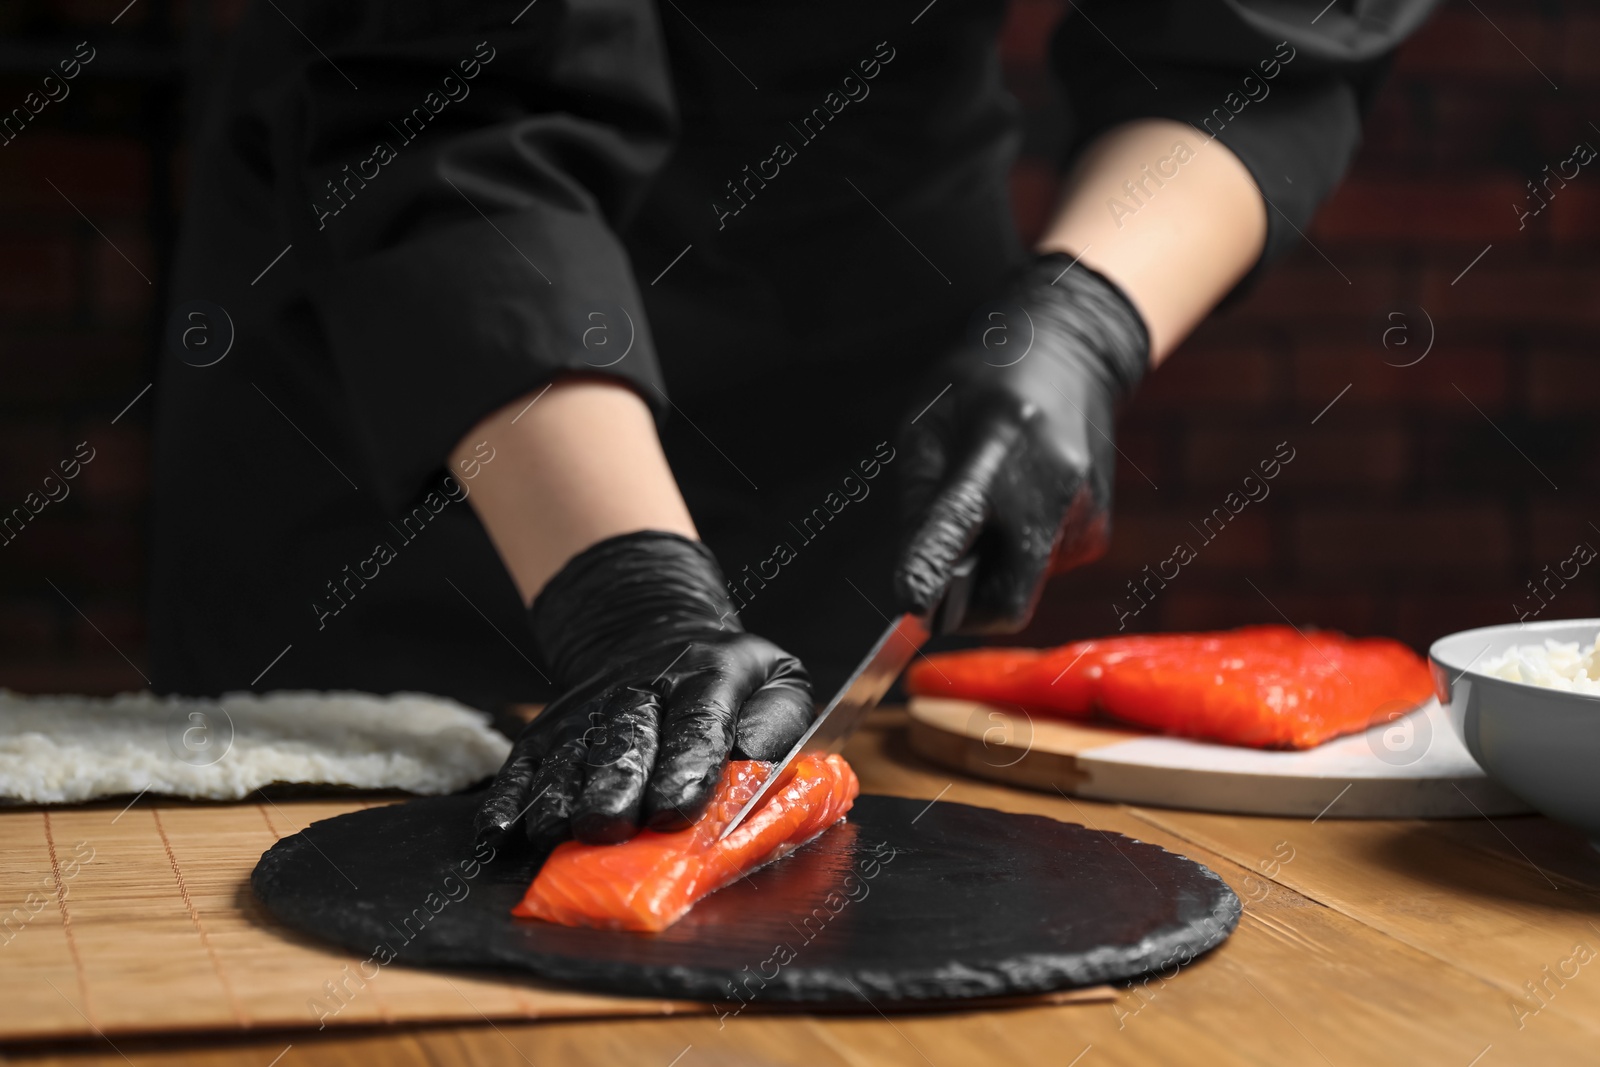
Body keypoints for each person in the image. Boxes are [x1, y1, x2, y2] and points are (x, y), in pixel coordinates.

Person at [152, 0, 1437, 847]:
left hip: (869, 325)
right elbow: (442, 103)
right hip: (421, 367)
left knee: (803, 891)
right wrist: (628, 589)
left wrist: (1086, 311)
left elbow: (1255, 45)